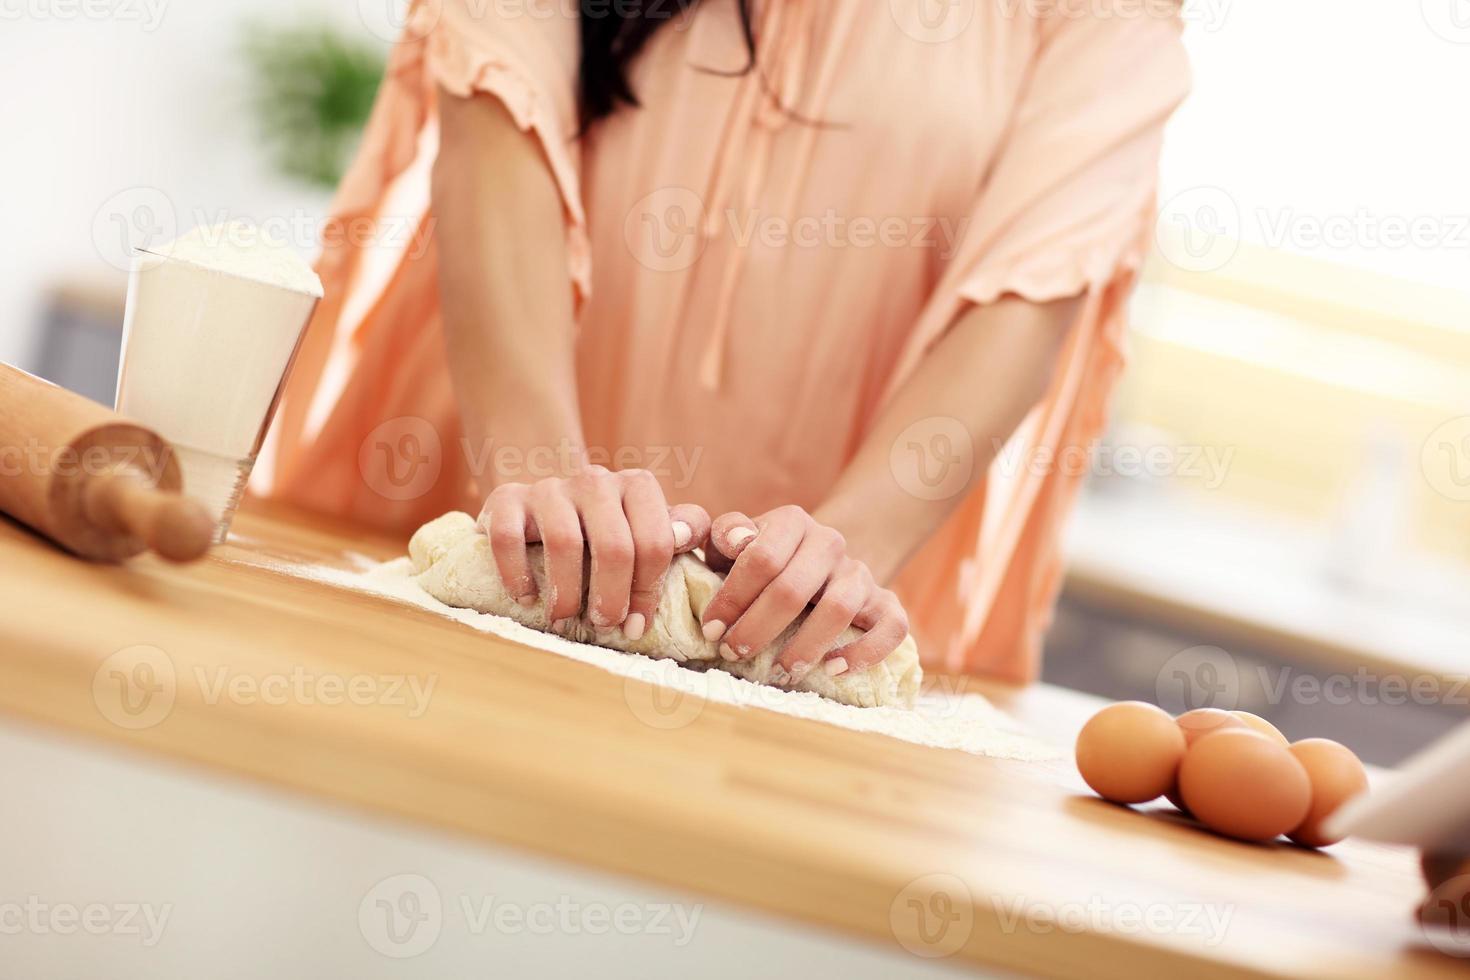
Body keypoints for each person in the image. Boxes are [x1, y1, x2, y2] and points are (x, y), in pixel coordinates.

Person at [255, 0, 1190, 684]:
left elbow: (1031, 285)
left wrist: (832, 571)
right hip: (479, 517)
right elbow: (498, 123)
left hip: (831, 631)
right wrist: (538, 484)